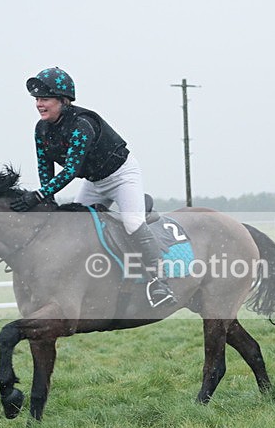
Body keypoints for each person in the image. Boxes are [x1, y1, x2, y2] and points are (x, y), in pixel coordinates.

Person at [11, 67, 176, 308]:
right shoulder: (41, 129)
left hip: (121, 176)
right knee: (74, 227)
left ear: (63, 100)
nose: (39, 104)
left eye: (44, 99)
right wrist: (48, 201)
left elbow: (69, 170)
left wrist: (37, 195)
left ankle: (160, 282)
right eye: (37, 99)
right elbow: (45, 166)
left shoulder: (82, 124)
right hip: (95, 182)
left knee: (132, 223)